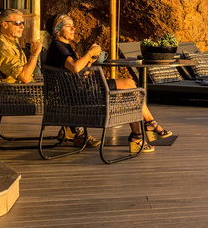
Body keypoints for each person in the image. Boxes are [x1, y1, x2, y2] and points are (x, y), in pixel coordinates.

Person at [45, 14, 173, 154]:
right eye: (68, 25)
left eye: (73, 25)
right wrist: (89, 53)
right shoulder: (58, 47)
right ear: (57, 30)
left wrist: (90, 61)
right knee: (131, 84)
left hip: (82, 91)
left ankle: (139, 135)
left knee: (132, 93)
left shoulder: (63, 47)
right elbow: (75, 68)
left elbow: (79, 74)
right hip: (83, 95)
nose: (73, 28)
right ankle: (148, 126)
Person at [0, 9, 41, 84]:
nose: (22, 27)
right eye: (17, 23)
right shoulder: (4, 48)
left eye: (23, 23)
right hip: (19, 91)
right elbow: (24, 78)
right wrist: (34, 54)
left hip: (28, 87)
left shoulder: (10, 40)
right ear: (4, 24)